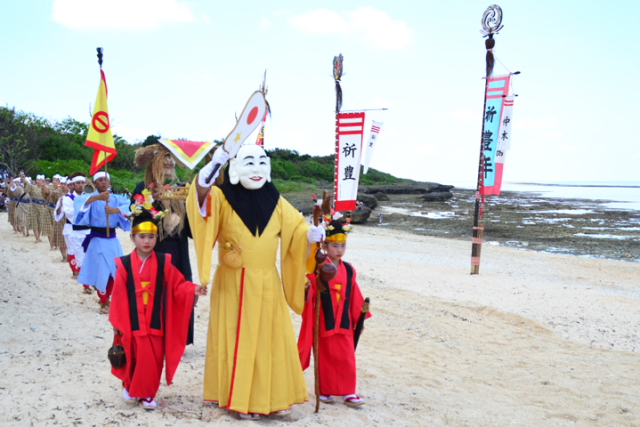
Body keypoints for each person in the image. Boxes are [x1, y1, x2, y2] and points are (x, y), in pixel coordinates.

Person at [187, 144, 325, 419]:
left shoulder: (276, 199)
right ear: (235, 169)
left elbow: (296, 229)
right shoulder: (223, 197)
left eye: (262, 162)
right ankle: (238, 398)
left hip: (268, 281)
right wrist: (213, 166)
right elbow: (200, 200)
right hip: (234, 281)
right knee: (237, 337)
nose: (257, 168)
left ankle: (270, 398)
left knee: (269, 339)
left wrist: (310, 234)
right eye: (249, 162)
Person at [110, 206, 207, 410]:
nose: (147, 241)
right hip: (132, 320)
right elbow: (118, 296)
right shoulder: (124, 264)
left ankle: (145, 395)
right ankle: (132, 389)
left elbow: (177, 285)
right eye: (142, 236)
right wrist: (118, 323)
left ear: (157, 238)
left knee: (153, 359)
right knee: (133, 356)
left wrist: (193, 289)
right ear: (132, 237)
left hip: (155, 320)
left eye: (152, 237)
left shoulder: (164, 262)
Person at [297, 219, 371, 407]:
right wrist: (310, 285)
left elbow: (354, 295)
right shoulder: (318, 267)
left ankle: (348, 391)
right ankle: (325, 390)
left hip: (344, 319)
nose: (339, 250)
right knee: (325, 355)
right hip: (324, 317)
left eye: (343, 246)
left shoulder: (348, 269)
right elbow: (310, 288)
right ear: (325, 245)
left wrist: (359, 321)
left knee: (346, 355)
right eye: (335, 246)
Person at [75, 171, 131, 313]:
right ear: (94, 183)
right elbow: (80, 209)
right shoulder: (88, 198)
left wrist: (116, 210)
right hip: (97, 240)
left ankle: (109, 297)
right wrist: (96, 198)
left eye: (105, 180)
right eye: (99, 180)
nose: (103, 182)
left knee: (115, 270)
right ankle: (103, 301)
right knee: (101, 271)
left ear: (109, 182)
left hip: (112, 240)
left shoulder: (117, 198)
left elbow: (131, 208)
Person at [21, 173, 50, 243]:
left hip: (41, 206)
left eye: (40, 180)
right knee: (34, 222)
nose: (39, 181)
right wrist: (22, 178)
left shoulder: (45, 188)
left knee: (40, 222)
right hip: (33, 205)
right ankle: (37, 238)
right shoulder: (33, 187)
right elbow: (27, 183)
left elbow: (48, 193)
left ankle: (39, 237)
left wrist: (43, 185)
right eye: (38, 180)